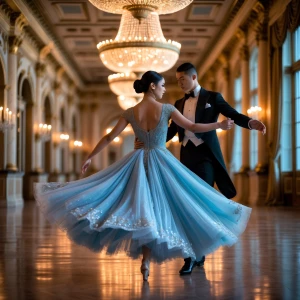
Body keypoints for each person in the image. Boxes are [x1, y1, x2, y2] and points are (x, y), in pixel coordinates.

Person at [34, 71, 252, 282]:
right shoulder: (166, 109)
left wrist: (90, 156)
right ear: (153, 86)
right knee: (179, 205)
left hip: (137, 161)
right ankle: (184, 252)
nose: (165, 89)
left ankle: (146, 262)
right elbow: (192, 126)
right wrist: (219, 125)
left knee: (144, 210)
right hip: (161, 162)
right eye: (163, 85)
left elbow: (110, 136)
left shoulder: (130, 111)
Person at [134, 63, 266, 275]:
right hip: (184, 160)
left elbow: (232, 113)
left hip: (207, 159)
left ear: (193, 77)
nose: (179, 83)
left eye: (182, 80)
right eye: (176, 81)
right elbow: (167, 133)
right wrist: (147, 140)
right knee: (185, 206)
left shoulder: (213, 98)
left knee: (199, 206)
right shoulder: (177, 103)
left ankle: (197, 252)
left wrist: (251, 123)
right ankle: (190, 256)